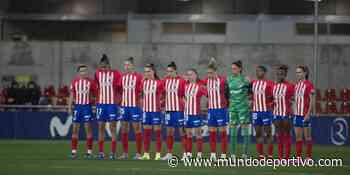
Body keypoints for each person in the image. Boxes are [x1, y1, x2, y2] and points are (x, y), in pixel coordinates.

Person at [94, 54, 122, 160]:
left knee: (112, 128)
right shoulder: (97, 74)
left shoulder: (116, 74)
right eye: (101, 67)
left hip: (112, 104)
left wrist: (118, 101)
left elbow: (120, 88)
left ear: (109, 65)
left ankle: (113, 152)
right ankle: (101, 152)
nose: (103, 69)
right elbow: (97, 88)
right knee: (101, 127)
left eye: (105, 66)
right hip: (101, 104)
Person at [68, 64, 97, 159]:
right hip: (77, 108)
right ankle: (73, 152)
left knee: (88, 129)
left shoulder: (91, 82)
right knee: (75, 129)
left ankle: (89, 152)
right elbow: (71, 95)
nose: (83, 72)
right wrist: (69, 107)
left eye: (85, 71)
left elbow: (95, 94)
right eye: (81, 71)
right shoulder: (75, 82)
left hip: (87, 107)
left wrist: (94, 105)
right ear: (78, 72)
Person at [201, 59, 229, 159]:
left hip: (221, 110)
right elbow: (198, 83)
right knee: (212, 133)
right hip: (211, 110)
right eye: (207, 73)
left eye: (211, 73)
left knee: (222, 133)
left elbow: (230, 85)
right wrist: (205, 93)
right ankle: (213, 154)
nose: (209, 75)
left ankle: (223, 154)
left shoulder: (222, 80)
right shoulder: (206, 80)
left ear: (216, 72)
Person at [161, 62, 187, 160]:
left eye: (171, 71)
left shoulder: (181, 81)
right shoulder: (165, 81)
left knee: (182, 132)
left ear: (175, 71)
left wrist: (186, 106)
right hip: (168, 110)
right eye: (167, 71)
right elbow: (161, 91)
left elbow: (186, 94)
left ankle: (185, 154)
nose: (169, 73)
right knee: (169, 132)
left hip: (179, 110)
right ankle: (169, 153)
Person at [119, 57, 143, 160]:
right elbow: (120, 90)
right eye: (125, 65)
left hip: (135, 106)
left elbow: (142, 91)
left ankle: (138, 153)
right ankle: (125, 153)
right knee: (124, 129)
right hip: (124, 106)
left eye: (128, 65)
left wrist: (141, 104)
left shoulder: (139, 77)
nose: (126, 67)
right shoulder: (122, 77)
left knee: (137, 128)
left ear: (132, 65)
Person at [227, 60, 252, 159]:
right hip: (233, 107)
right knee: (232, 131)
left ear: (240, 69)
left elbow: (250, 92)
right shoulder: (229, 79)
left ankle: (245, 154)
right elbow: (227, 92)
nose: (232, 70)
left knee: (245, 130)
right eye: (232, 68)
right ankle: (232, 154)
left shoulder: (245, 80)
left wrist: (249, 102)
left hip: (243, 108)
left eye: (235, 68)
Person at [140, 63, 164, 160]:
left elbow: (164, 94)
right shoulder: (143, 82)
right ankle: (146, 154)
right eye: (145, 71)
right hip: (146, 111)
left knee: (157, 133)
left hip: (156, 111)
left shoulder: (159, 82)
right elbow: (141, 95)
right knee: (146, 133)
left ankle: (158, 154)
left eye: (148, 71)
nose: (146, 73)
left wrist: (161, 104)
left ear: (153, 72)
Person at [251, 65, 274, 159]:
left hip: (265, 111)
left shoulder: (270, 84)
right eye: (256, 71)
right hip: (256, 112)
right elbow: (250, 95)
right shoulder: (253, 83)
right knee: (258, 133)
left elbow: (274, 96)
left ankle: (270, 155)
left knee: (268, 133)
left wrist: (271, 105)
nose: (257, 73)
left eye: (259, 71)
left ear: (264, 72)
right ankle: (261, 155)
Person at [183, 68, 207, 159]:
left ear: (196, 75)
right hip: (187, 114)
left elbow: (208, 94)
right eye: (188, 74)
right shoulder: (185, 85)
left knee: (198, 134)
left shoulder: (199, 86)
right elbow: (181, 96)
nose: (190, 76)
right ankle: (188, 154)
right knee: (188, 134)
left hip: (196, 113)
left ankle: (199, 154)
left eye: (191, 74)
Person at [272, 65, 294, 160]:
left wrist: (292, 111)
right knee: (279, 135)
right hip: (277, 114)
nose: (279, 76)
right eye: (278, 74)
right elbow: (272, 100)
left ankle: (287, 157)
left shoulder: (290, 86)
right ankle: (281, 157)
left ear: (285, 75)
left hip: (286, 113)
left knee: (287, 134)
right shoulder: (274, 86)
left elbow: (293, 100)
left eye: (281, 74)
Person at [294, 65, 315, 159]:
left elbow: (312, 101)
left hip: (304, 115)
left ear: (305, 73)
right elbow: (295, 100)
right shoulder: (297, 85)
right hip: (297, 115)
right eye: (297, 72)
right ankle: (298, 158)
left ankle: (308, 157)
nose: (298, 74)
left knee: (307, 137)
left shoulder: (309, 85)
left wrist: (308, 114)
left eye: (299, 72)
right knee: (298, 137)